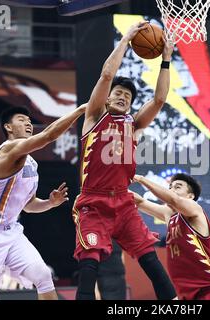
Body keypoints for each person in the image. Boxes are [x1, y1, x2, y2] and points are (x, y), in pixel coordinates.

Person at [72, 21, 176, 300]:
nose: (122, 97)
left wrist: (165, 58)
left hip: (123, 202)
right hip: (93, 203)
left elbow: (159, 99)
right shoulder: (94, 116)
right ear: (107, 99)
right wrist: (127, 39)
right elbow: (107, 75)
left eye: (127, 96)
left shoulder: (134, 125)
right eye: (118, 94)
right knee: (89, 266)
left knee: (150, 261)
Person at [0, 104, 86, 300]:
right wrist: (80, 111)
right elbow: (48, 136)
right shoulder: (7, 150)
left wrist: (49, 203)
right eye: (21, 120)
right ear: (8, 127)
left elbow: (28, 205)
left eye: (29, 121)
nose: (28, 123)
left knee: (43, 276)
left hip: (12, 232)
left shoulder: (31, 163)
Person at [132, 173, 210, 300]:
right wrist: (110, 186)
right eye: (170, 187)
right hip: (187, 295)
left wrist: (141, 179)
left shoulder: (195, 209)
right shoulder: (169, 215)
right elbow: (140, 201)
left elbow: (173, 199)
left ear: (190, 196)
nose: (171, 190)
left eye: (178, 187)